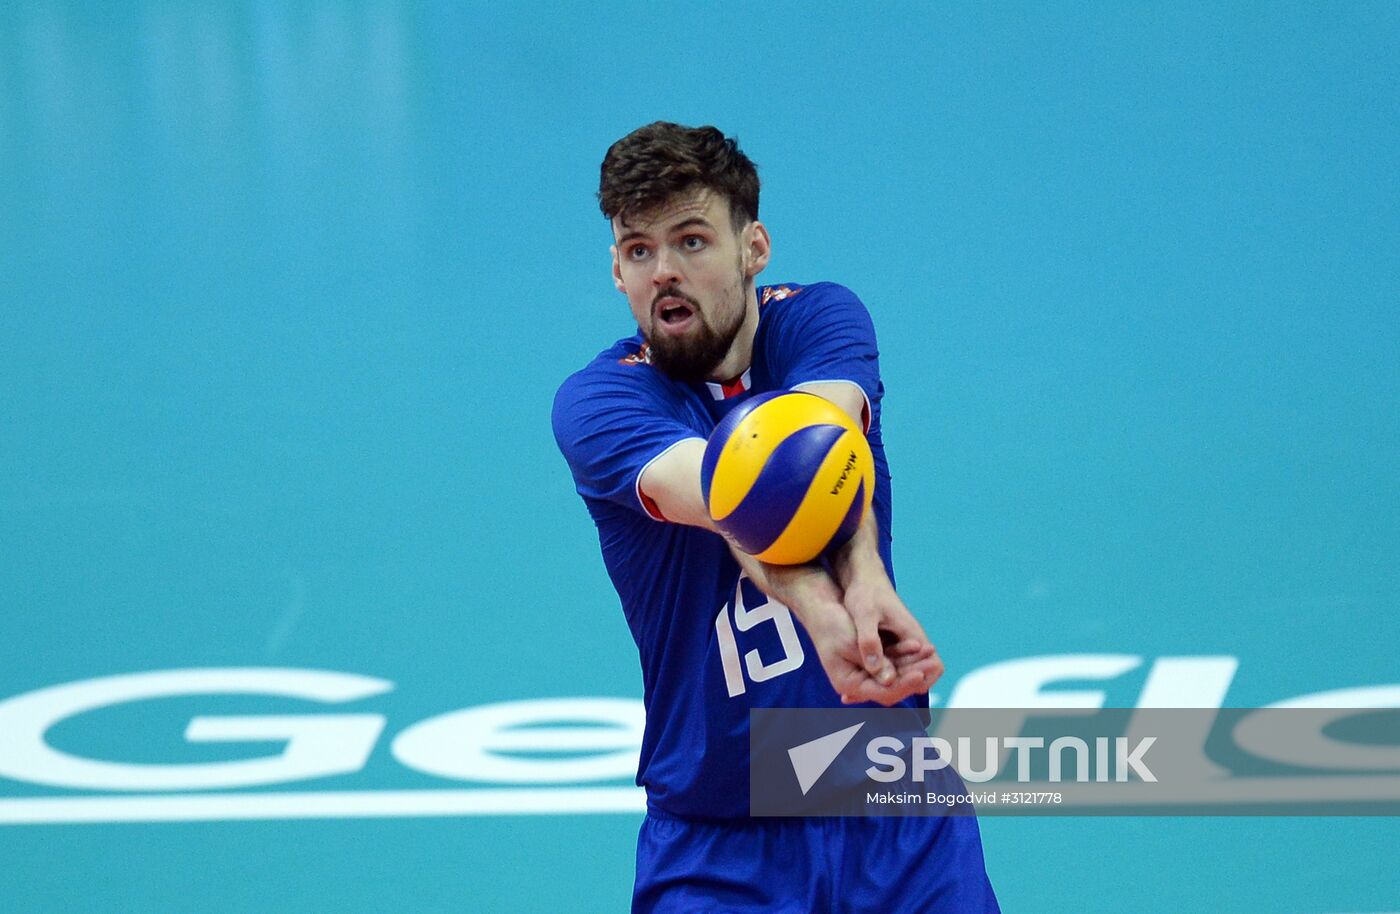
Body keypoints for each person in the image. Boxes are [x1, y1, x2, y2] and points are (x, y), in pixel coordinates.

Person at [552, 122, 999, 912]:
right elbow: (739, 494)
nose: (664, 271)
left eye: (692, 241)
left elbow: (818, 456)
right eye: (639, 250)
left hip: (894, 813)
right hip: (721, 842)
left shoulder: (821, 319)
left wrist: (864, 581)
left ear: (753, 248)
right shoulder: (600, 403)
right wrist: (826, 608)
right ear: (617, 271)